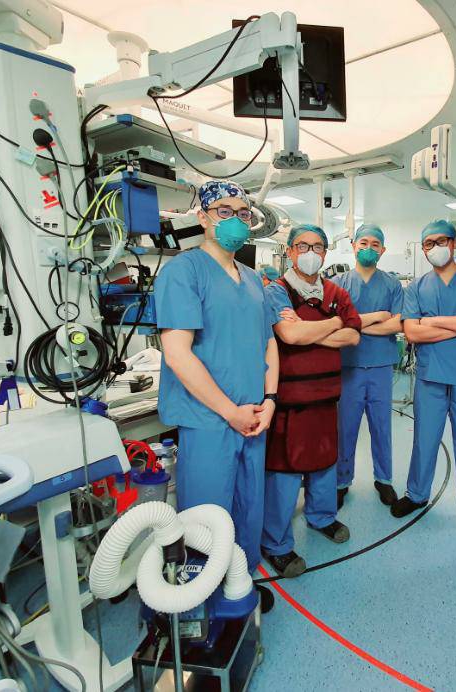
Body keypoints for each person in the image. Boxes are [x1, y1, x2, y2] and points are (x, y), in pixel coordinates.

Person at [154, 180, 278, 613]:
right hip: (210, 420)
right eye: (223, 211)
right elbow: (176, 351)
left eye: (242, 213)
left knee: (247, 509)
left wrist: (270, 399)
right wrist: (228, 411)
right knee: (206, 518)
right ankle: (200, 606)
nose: (234, 220)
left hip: (252, 418)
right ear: (203, 217)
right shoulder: (182, 272)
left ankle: (238, 587)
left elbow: (268, 343)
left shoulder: (252, 280)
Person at [262, 224, 362, 578]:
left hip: (326, 396)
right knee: (285, 472)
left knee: (323, 463)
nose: (310, 252)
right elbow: (288, 333)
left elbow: (352, 335)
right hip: (289, 400)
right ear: (289, 251)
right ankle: (276, 543)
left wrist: (312, 333)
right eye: (302, 245)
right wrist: (331, 323)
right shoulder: (277, 291)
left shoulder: (336, 292)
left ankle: (322, 517)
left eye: (317, 246)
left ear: (325, 253)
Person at [392, 219, 456, 543]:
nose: (435, 248)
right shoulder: (416, 288)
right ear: (423, 250)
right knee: (424, 441)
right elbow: (411, 331)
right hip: (430, 379)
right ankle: (417, 494)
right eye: (428, 243)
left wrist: (433, 322)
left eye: (441, 241)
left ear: (454, 243)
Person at [332, 224, 404, 508]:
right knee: (345, 427)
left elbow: (397, 323)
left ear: (383, 250)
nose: (369, 248)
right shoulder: (339, 284)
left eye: (376, 244)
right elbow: (338, 323)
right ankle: (341, 481)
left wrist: (358, 324)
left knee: (381, 426)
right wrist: (377, 319)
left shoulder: (392, 284)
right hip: (348, 364)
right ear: (353, 245)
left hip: (380, 366)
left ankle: (383, 480)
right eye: (364, 242)